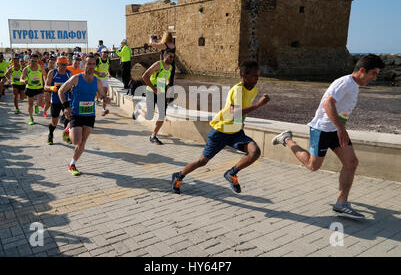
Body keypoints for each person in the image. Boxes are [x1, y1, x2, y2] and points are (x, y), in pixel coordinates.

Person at [271, 54, 385, 219]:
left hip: (336, 130)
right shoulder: (345, 82)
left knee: (351, 163)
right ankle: (286, 139)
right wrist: (341, 128)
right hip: (323, 130)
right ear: (361, 70)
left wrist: (339, 128)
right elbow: (328, 103)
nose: (374, 78)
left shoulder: (354, 85)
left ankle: (341, 203)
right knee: (313, 166)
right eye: (373, 73)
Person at [171, 61, 270, 194]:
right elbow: (235, 112)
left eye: (258, 76)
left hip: (236, 132)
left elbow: (241, 111)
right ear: (244, 75)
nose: (257, 79)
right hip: (221, 131)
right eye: (254, 76)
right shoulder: (237, 89)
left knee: (255, 152)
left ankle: (231, 173)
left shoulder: (254, 90)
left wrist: (241, 123)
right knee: (202, 161)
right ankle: (179, 176)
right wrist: (258, 105)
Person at [59, 54, 110, 176]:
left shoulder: (97, 81)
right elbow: (61, 90)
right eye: (89, 63)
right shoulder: (76, 78)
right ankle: (69, 128)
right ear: (84, 64)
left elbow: (102, 96)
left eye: (93, 64)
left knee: (82, 142)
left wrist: (106, 101)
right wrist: (66, 107)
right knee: (77, 140)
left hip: (89, 114)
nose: (91, 66)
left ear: (95, 66)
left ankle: (72, 164)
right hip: (76, 113)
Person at [142, 50, 175, 145]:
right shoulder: (158, 64)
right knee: (150, 116)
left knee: (162, 115)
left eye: (173, 57)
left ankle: (153, 136)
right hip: (151, 90)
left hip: (161, 92)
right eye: (170, 56)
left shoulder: (171, 68)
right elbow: (145, 76)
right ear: (164, 55)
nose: (172, 59)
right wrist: (154, 89)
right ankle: (140, 111)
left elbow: (167, 80)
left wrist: (167, 88)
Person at [44, 56, 72, 145]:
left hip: (66, 100)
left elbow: (74, 86)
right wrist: (52, 88)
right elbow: (45, 86)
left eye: (65, 64)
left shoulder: (69, 74)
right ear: (58, 64)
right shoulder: (52, 73)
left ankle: (66, 137)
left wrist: (70, 89)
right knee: (54, 122)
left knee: (68, 119)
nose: (63, 66)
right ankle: (51, 134)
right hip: (55, 101)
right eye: (61, 64)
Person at [20, 54, 47, 125]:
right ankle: (31, 118)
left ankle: (36, 106)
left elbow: (44, 75)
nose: (34, 62)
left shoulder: (41, 67)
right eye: (32, 61)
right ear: (29, 61)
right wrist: (23, 81)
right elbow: (21, 78)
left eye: (35, 61)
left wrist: (45, 84)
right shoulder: (26, 69)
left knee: (41, 102)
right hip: (30, 88)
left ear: (38, 61)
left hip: (39, 88)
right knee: (30, 105)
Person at [95, 49, 112, 116]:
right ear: (101, 53)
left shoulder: (108, 60)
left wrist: (109, 73)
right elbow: (93, 69)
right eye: (104, 52)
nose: (106, 53)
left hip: (105, 78)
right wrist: (99, 73)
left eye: (107, 52)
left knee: (105, 94)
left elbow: (107, 67)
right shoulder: (98, 60)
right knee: (100, 95)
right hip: (97, 79)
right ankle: (98, 100)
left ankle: (103, 109)